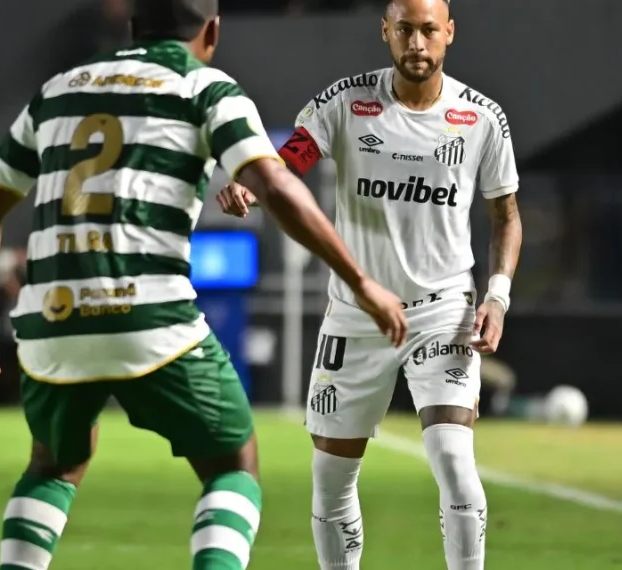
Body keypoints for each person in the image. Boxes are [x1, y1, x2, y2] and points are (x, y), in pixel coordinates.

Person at [0, 1, 406, 569]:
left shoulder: (58, 89)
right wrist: (359, 279)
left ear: (132, 27)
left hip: (51, 320)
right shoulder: (206, 87)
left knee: (53, 464)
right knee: (233, 464)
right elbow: (274, 187)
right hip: (149, 317)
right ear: (212, 30)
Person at [217, 1, 520, 568]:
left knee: (454, 458)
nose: (417, 43)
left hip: (444, 311)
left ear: (449, 33)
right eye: (405, 29)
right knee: (331, 476)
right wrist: (255, 185)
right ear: (385, 31)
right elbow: (291, 160)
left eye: (429, 30)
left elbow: (506, 215)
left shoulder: (481, 117)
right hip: (357, 315)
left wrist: (497, 296)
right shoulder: (345, 102)